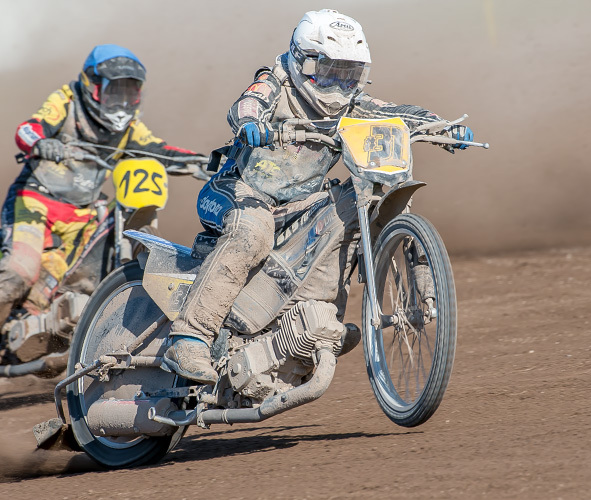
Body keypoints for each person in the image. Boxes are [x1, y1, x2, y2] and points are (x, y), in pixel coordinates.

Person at [162, 9, 475, 384]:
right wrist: (250, 124)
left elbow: (394, 112)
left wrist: (441, 126)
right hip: (237, 191)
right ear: (302, 61)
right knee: (252, 232)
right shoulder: (275, 81)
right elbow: (247, 104)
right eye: (330, 71)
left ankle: (314, 322)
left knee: (348, 215)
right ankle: (190, 337)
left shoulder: (351, 103)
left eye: (350, 74)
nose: (339, 84)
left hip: (298, 205)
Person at [0, 44, 209, 392]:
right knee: (20, 271)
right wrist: (42, 143)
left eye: (128, 92)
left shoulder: (130, 129)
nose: (120, 101)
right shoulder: (66, 102)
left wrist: (204, 162)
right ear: (92, 84)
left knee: (70, 283)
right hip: (35, 200)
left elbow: (160, 151)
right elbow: (29, 128)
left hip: (82, 215)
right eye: (114, 90)